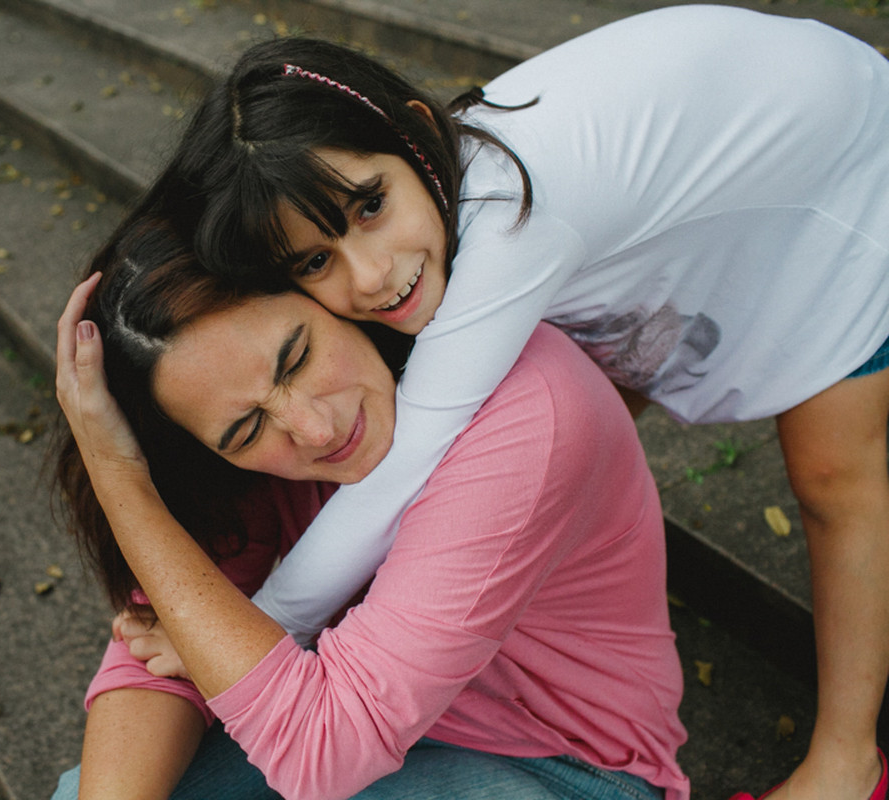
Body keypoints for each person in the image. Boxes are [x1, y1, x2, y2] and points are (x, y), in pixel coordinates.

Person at [153, 7, 889, 799]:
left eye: (369, 206)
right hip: (738, 134)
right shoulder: (447, 180)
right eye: (314, 259)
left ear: (415, 134)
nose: (369, 278)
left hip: (847, 149)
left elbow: (412, 459)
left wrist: (265, 624)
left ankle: (848, 763)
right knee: (553, 392)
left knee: (832, 477)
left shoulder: (509, 215)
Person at [50, 220, 689, 799]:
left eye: (298, 357)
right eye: (246, 431)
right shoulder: (242, 455)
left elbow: (320, 751)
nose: (315, 427)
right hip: (355, 722)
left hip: (566, 769)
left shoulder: (533, 408)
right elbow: (160, 653)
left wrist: (120, 480)